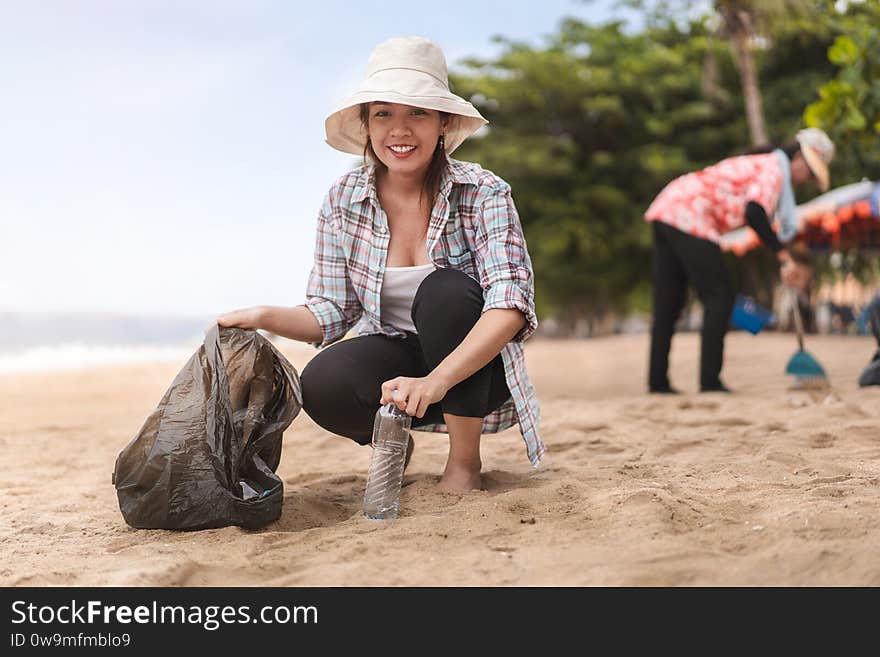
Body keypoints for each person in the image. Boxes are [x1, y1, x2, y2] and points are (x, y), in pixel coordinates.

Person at [217, 36, 543, 492]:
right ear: (367, 125)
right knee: (323, 382)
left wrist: (435, 380)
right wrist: (261, 316)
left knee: (445, 291)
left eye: (418, 113)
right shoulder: (344, 198)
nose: (400, 130)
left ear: (443, 121)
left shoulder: (482, 191)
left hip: (475, 368)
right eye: (384, 113)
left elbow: (510, 304)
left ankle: (464, 462)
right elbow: (331, 311)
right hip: (395, 358)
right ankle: (390, 439)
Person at [644, 128, 835, 393]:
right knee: (720, 296)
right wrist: (783, 257)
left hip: (668, 206)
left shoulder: (764, 164)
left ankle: (658, 382)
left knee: (669, 301)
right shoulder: (773, 169)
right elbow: (754, 213)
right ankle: (709, 381)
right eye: (811, 173)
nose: (806, 180)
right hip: (691, 215)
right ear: (801, 159)